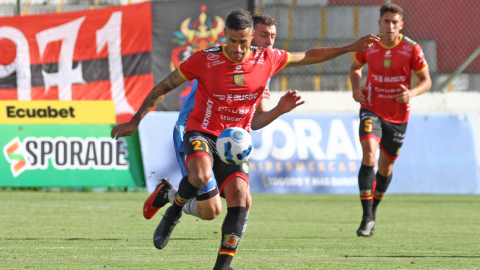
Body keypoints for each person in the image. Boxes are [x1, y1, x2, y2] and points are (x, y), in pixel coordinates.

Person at [112, 9, 378, 270]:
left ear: (251, 37)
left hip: (235, 142)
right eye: (232, 41)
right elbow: (164, 86)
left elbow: (307, 55)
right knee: (201, 175)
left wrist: (350, 47)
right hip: (202, 131)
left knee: (237, 199)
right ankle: (173, 212)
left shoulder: (268, 59)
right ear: (225, 36)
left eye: (243, 42)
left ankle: (223, 266)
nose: (238, 49)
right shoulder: (205, 59)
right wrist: (136, 120)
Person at [142, 14, 280, 233]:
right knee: (210, 209)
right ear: (249, 34)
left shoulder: (264, 64)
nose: (269, 42)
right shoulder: (215, 60)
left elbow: (255, 121)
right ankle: (168, 195)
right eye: (264, 35)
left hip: (228, 139)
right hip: (198, 131)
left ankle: (230, 245)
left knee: (243, 199)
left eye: (273, 36)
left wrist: (280, 109)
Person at [349, 3, 431, 237]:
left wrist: (412, 93)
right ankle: (366, 217)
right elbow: (355, 67)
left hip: (397, 115)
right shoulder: (370, 45)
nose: (390, 26)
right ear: (380, 23)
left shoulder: (411, 49)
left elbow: (426, 80)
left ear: (401, 25)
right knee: (369, 155)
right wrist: (356, 88)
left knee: (386, 166)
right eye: (387, 21)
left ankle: (372, 213)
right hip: (371, 107)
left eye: (395, 22)